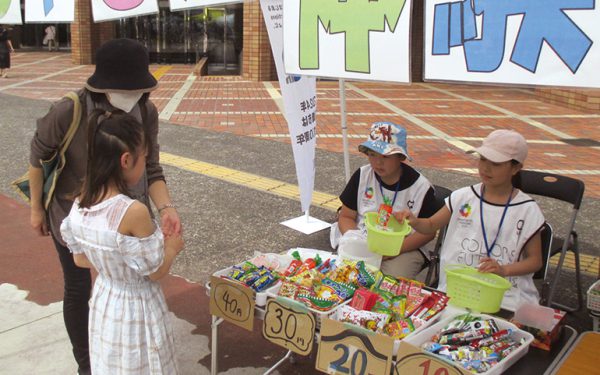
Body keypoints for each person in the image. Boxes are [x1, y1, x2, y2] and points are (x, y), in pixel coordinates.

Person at [28, 38, 182, 375]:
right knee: (78, 283)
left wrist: (166, 208)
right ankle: (88, 362)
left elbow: (152, 167)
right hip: (74, 210)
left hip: (124, 216)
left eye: (139, 90)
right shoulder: (70, 110)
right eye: (124, 89)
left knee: (112, 287)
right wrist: (37, 210)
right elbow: (38, 157)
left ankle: (113, 354)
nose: (133, 96)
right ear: (101, 86)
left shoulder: (145, 110)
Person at [60, 109, 184, 374]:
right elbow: (155, 271)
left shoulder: (80, 204)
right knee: (144, 363)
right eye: (144, 158)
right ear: (126, 160)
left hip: (106, 299)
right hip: (137, 305)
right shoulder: (132, 212)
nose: (145, 164)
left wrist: (112, 263)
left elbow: (80, 259)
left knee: (112, 362)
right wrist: (171, 248)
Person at [395, 129, 545, 311]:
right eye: (482, 159)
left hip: (505, 297)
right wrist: (414, 221)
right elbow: (431, 225)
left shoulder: (527, 210)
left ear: (515, 168)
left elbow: (535, 261)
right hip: (458, 290)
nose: (485, 168)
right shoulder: (463, 197)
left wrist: (504, 270)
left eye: (496, 163)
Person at [330, 122, 438, 280]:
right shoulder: (362, 175)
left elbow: (427, 232)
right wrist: (355, 239)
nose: (377, 162)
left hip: (405, 245)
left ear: (400, 157)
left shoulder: (421, 188)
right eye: (372, 154)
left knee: (389, 279)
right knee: (346, 273)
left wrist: (394, 249)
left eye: (385, 157)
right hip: (364, 238)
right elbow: (346, 216)